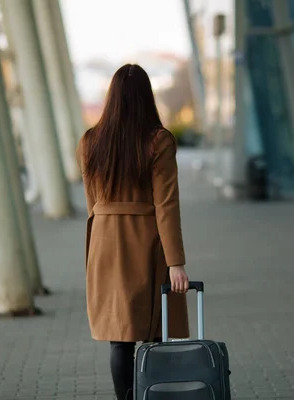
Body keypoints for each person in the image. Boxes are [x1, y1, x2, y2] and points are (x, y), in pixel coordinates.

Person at [76, 64, 191, 400]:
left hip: (104, 242)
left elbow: (91, 203)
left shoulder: (89, 141)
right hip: (145, 242)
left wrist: (104, 231)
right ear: (146, 98)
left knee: (119, 335)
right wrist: (176, 262)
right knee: (155, 331)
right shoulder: (158, 141)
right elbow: (166, 205)